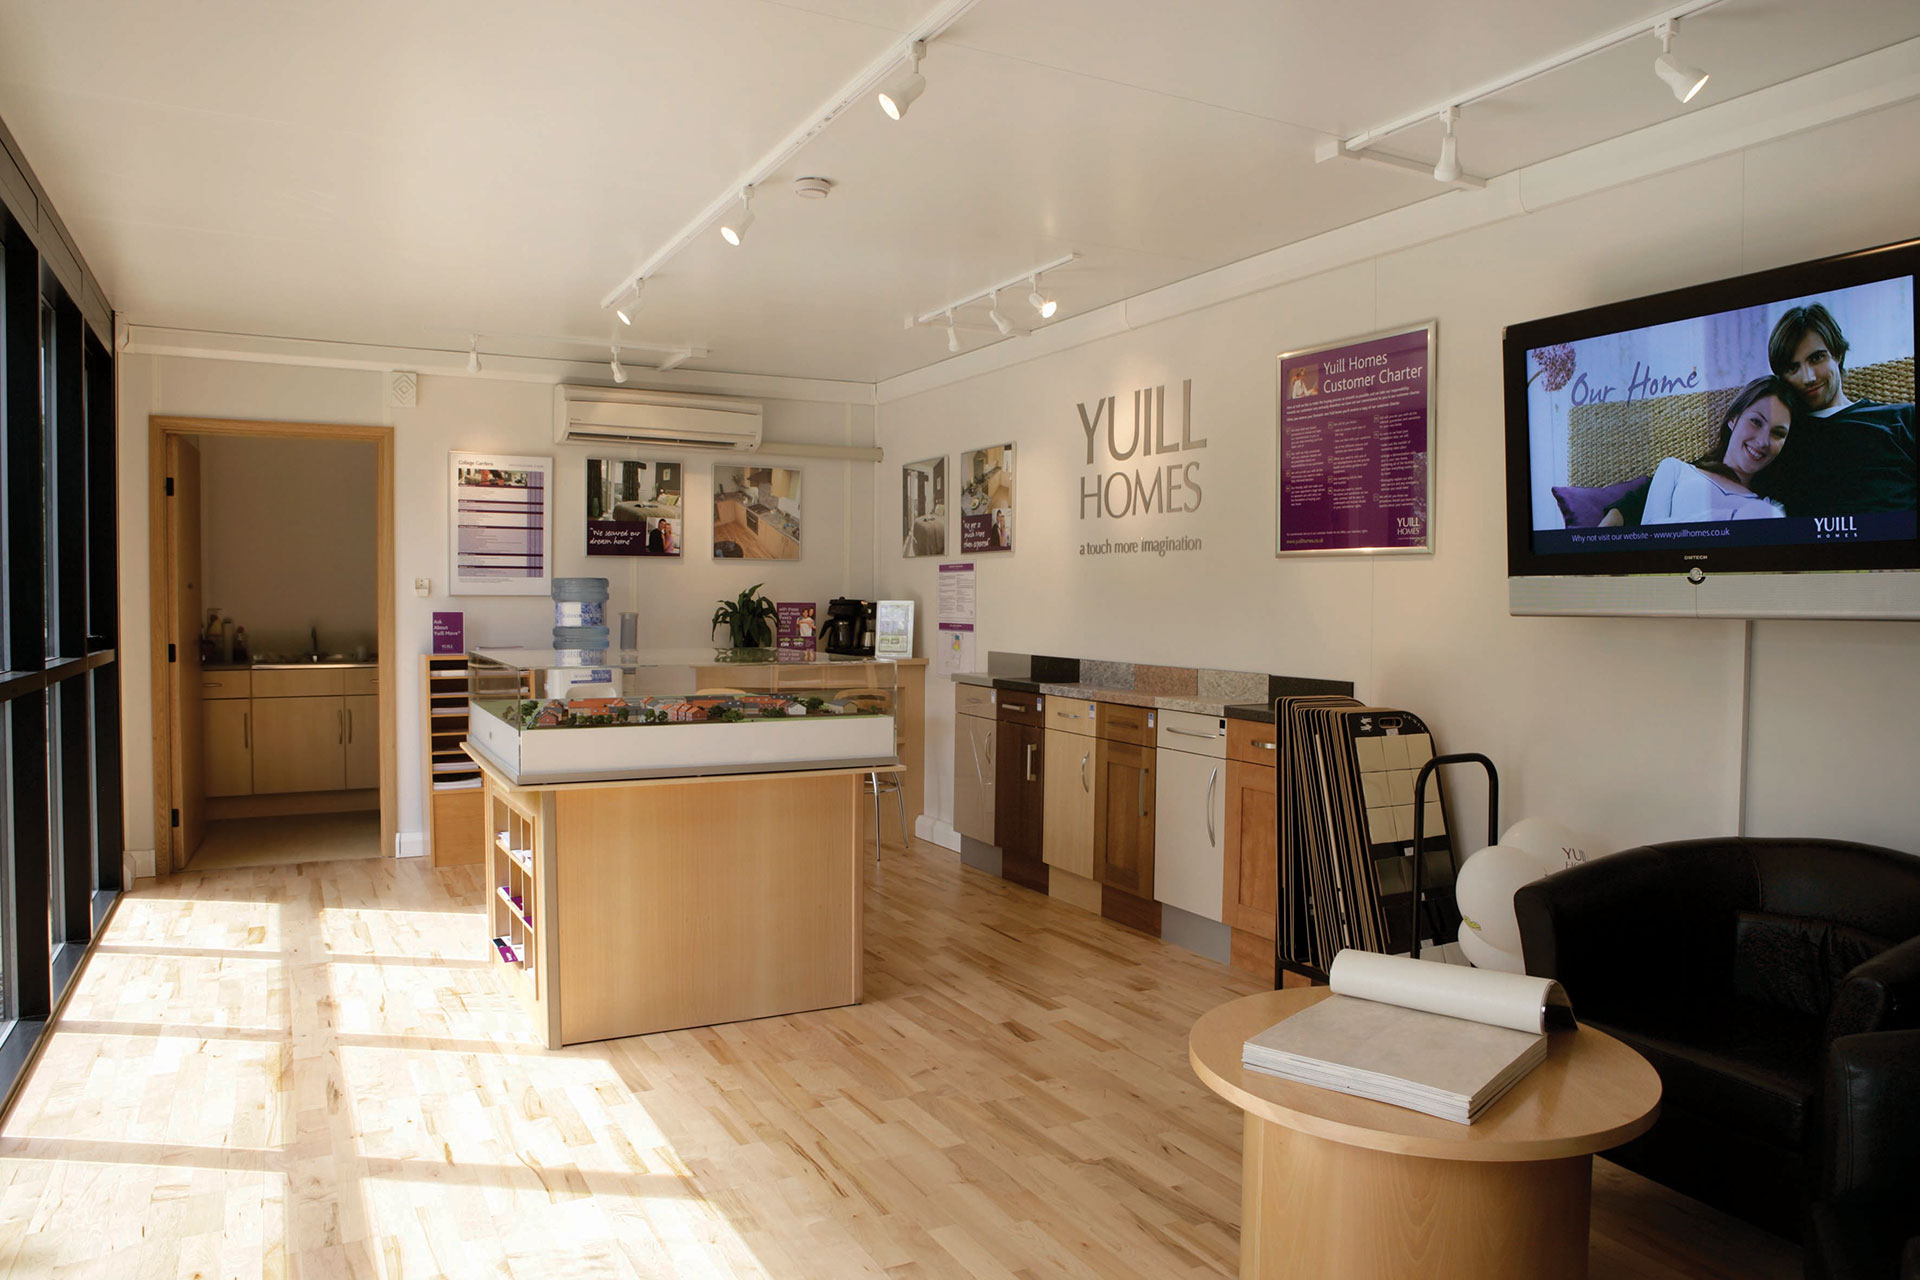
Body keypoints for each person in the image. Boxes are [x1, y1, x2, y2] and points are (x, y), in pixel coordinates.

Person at [1759, 303, 1915, 516]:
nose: (1808, 378)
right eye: (1792, 368)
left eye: (1816, 358)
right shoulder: (1778, 436)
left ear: (1838, 353)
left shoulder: (1902, 418)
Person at [1600, 376, 1799, 526]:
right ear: (1733, 419)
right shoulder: (1675, 469)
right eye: (1756, 421)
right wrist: (1732, 517)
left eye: (1778, 433)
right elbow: (1652, 534)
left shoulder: (1772, 508)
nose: (1763, 441)